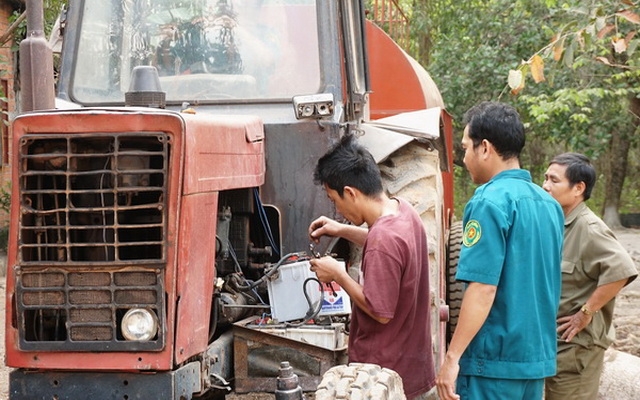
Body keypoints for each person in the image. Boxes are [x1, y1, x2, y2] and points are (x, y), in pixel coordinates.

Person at [435, 101, 565, 400]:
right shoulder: (550, 207)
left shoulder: (488, 202)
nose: (464, 158)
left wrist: (452, 357)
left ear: (485, 148)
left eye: (466, 148)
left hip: (492, 366)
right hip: (533, 363)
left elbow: (482, 288)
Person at [307, 134, 435, 399]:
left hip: (383, 379)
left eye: (335, 200)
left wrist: (339, 275)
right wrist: (343, 230)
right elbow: (392, 250)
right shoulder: (403, 211)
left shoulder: (383, 239)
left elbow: (380, 312)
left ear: (351, 193)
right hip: (412, 366)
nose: (338, 210)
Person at [542, 152, 638, 399]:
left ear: (578, 188)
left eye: (554, 180)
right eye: (545, 178)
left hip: (577, 348)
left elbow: (622, 270)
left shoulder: (590, 228)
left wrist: (585, 313)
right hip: (557, 345)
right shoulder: (559, 223)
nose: (545, 185)